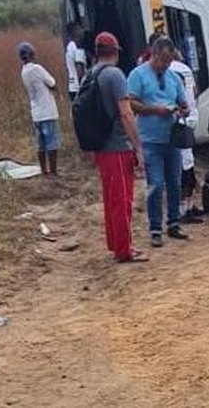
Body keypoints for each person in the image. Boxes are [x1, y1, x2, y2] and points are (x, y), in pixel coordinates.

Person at [86, 32, 147, 263]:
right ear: (116, 51)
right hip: (117, 146)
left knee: (111, 198)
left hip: (101, 146)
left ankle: (115, 243)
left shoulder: (91, 74)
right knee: (122, 200)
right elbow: (126, 113)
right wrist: (137, 147)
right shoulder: (115, 75)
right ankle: (124, 249)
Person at [128, 36, 190, 247]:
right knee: (155, 184)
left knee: (175, 182)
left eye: (169, 61)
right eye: (163, 60)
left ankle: (173, 222)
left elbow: (183, 102)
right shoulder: (138, 75)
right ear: (153, 54)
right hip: (150, 139)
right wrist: (154, 110)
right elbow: (131, 103)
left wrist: (183, 109)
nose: (166, 65)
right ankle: (155, 228)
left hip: (171, 138)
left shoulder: (173, 77)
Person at [170, 49, 203, 224]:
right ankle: (186, 209)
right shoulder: (184, 69)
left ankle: (185, 208)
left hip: (177, 122)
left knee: (183, 166)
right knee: (186, 165)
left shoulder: (165, 71)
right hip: (189, 120)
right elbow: (195, 92)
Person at [18, 42, 60, 176]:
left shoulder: (24, 71)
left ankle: (44, 171)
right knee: (52, 143)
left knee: (41, 145)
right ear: (31, 54)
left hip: (36, 112)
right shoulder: (37, 68)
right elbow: (52, 83)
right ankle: (53, 172)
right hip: (47, 111)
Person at [64, 22, 88, 124]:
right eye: (79, 29)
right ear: (74, 32)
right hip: (78, 86)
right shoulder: (77, 47)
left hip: (72, 85)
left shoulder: (69, 47)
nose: (82, 31)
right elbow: (79, 68)